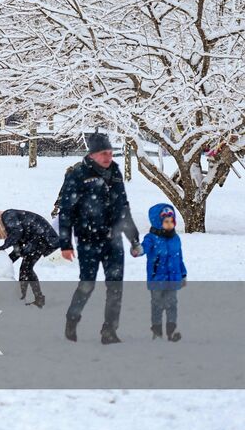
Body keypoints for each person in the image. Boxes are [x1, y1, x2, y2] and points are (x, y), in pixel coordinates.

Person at [57, 133, 142, 344]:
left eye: (111, 153)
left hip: (113, 240)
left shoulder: (115, 172)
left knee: (115, 287)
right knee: (87, 284)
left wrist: (133, 238)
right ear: (92, 154)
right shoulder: (77, 174)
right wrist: (65, 244)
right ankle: (72, 318)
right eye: (104, 153)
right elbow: (66, 211)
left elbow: (123, 206)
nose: (108, 157)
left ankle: (109, 331)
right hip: (88, 240)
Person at [0, 209, 60, 307]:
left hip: (43, 238)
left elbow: (17, 232)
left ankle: (22, 298)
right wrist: (5, 262)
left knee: (26, 269)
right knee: (26, 269)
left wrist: (3, 247)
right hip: (37, 240)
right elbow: (17, 251)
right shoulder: (9, 229)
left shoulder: (7, 216)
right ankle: (32, 298)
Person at [143, 203, 187, 341]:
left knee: (172, 303)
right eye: (166, 222)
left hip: (173, 277)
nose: (169, 224)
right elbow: (143, 248)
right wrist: (137, 250)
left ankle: (171, 330)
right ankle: (156, 330)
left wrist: (183, 274)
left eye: (171, 221)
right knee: (157, 304)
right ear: (158, 222)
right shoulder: (151, 238)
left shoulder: (175, 239)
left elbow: (179, 258)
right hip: (157, 278)